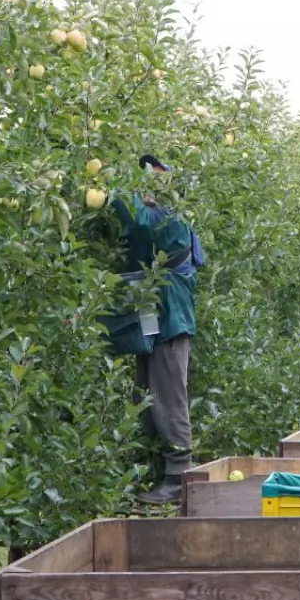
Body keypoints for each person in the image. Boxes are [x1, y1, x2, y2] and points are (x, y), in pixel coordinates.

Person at [109, 153, 206, 505]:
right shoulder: (159, 215)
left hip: (170, 322)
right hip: (155, 322)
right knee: (146, 397)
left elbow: (138, 223)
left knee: (168, 398)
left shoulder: (171, 218)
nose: (150, 180)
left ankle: (179, 477)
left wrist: (110, 183)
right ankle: (155, 470)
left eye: (158, 174)